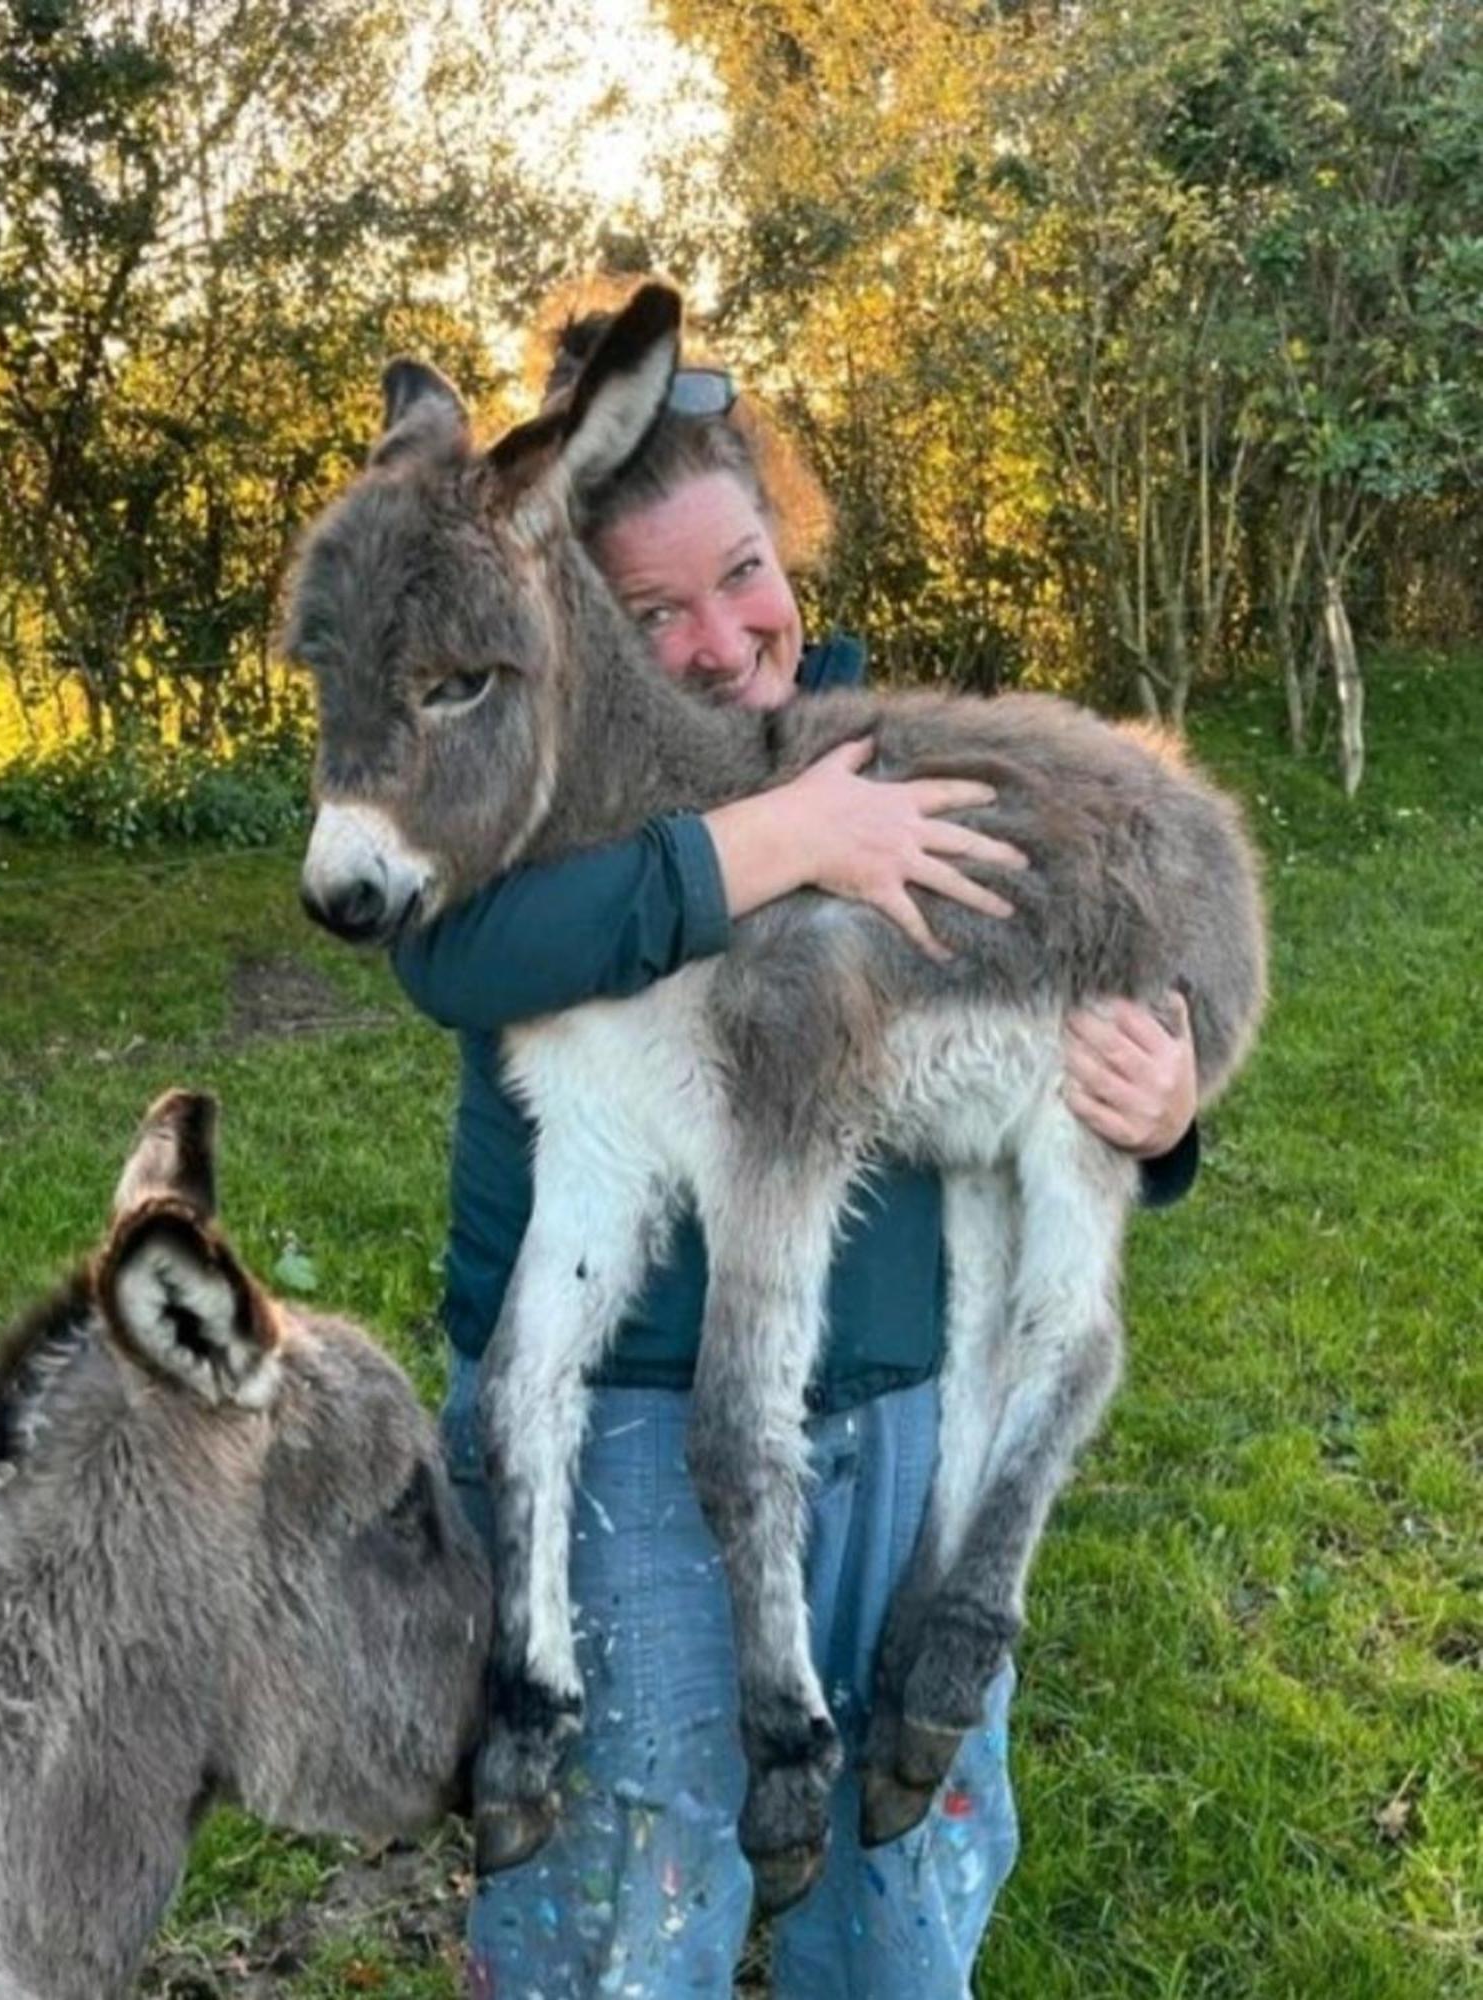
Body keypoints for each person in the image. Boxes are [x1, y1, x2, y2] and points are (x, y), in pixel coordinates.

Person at [391, 297, 1199, 2000]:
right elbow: (452, 958)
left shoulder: (877, 744)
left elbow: (1060, 969)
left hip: (893, 1394)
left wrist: (1162, 1109)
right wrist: (764, 842)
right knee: (639, 1861)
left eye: (743, 572)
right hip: (622, 1422)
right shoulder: (535, 801)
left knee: (905, 1868)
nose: (722, 635)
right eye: (653, 611)